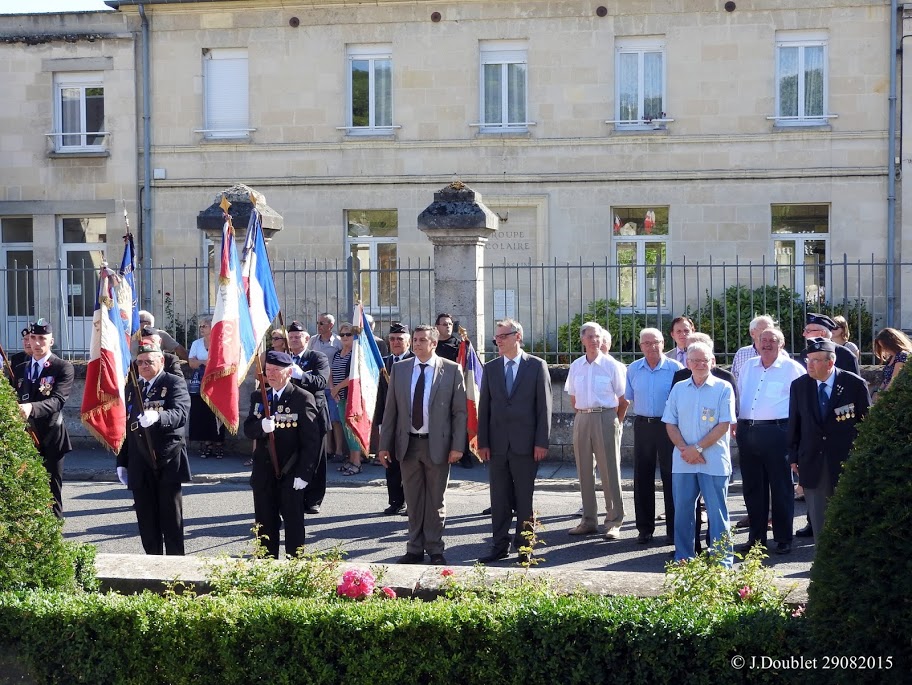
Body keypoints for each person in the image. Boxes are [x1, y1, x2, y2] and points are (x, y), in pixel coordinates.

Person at [378, 324, 467, 565]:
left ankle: (435, 549)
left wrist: (458, 446)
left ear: (434, 343)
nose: (416, 344)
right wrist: (384, 445)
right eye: (415, 340)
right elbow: (390, 411)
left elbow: (459, 412)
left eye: (421, 340)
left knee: (435, 501)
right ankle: (414, 549)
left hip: (437, 445)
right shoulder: (400, 369)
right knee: (414, 500)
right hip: (408, 445)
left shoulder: (451, 370)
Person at [477, 318, 552, 564]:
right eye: (496, 337)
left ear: (517, 336)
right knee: (499, 499)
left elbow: (544, 408)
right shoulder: (491, 368)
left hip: (526, 445)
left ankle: (524, 547)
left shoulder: (536, 366)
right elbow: (484, 408)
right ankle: (499, 545)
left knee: (524, 499)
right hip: (497, 446)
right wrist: (483, 442)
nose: (498, 341)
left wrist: (542, 442)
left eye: (503, 336)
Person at [788, 338, 871, 544]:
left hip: (846, 461)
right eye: (808, 359)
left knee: (849, 518)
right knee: (819, 519)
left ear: (830, 363)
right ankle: (822, 567)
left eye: (815, 360)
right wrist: (793, 456)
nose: (809, 364)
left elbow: (867, 425)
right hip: (812, 460)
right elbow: (795, 423)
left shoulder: (854, 384)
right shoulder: (800, 386)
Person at [662, 341, 736, 566]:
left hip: (713, 460)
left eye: (705, 360)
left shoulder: (724, 388)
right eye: (695, 360)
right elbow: (670, 424)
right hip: (684, 460)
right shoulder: (678, 388)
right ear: (688, 363)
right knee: (683, 512)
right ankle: (683, 557)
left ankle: (722, 560)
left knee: (717, 513)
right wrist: (687, 450)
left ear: (712, 362)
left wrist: (698, 449)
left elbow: (724, 424)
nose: (700, 364)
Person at [243, 350, 321, 559]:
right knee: (264, 523)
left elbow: (312, 442)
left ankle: (294, 567)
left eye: (276, 370)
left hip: (291, 471)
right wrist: (261, 426)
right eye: (268, 370)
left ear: (288, 372)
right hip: (264, 472)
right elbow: (248, 429)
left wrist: (305, 474)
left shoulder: (302, 398)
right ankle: (266, 566)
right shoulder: (259, 396)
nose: (271, 374)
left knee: (293, 522)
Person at [735, 328, 806, 555]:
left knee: (781, 488)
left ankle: (784, 538)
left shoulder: (792, 368)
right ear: (755, 342)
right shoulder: (748, 367)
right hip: (748, 432)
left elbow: (801, 405)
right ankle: (756, 539)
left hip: (778, 432)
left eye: (771, 340)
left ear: (781, 344)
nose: (766, 344)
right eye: (762, 340)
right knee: (753, 489)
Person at [117, 342, 192, 555]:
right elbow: (126, 427)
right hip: (139, 460)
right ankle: (152, 564)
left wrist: (159, 416)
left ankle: (176, 570)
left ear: (161, 361)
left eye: (149, 361)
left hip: (167, 458)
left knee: (171, 520)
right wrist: (122, 461)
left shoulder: (174, 383)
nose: (144, 366)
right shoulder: (132, 388)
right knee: (146, 520)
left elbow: (180, 414)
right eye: (140, 362)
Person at [565, 321, 627, 540]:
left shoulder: (612, 365)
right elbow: (573, 397)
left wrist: (615, 422)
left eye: (598, 336)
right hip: (582, 417)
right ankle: (588, 520)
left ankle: (614, 521)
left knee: (610, 470)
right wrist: (585, 414)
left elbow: (623, 400)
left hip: (606, 416)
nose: (594, 341)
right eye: (590, 336)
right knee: (584, 471)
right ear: (582, 340)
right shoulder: (576, 366)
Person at [625, 327, 682, 545]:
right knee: (643, 477)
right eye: (647, 343)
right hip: (643, 425)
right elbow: (628, 397)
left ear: (663, 344)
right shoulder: (633, 369)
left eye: (656, 342)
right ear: (640, 347)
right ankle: (645, 529)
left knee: (671, 477)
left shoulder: (675, 368)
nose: (651, 347)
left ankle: (673, 530)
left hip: (668, 426)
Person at [15, 319, 74, 519]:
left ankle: (54, 538)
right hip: (25, 439)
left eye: (42, 338)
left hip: (50, 437)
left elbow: (57, 401)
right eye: (33, 338)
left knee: (51, 493)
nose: (37, 343)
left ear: (51, 341)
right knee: (26, 492)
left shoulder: (62, 367)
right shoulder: (20, 368)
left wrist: (31, 407)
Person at [286, 320, 330, 514]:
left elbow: (321, 382)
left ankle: (314, 499)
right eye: (291, 337)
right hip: (289, 416)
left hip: (314, 415)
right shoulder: (284, 357)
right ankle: (295, 495)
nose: (295, 340)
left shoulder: (317, 357)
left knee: (316, 458)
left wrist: (302, 375)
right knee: (294, 456)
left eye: (298, 337)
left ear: (306, 338)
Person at [374, 322, 414, 515]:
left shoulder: (416, 360)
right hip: (390, 421)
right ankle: (396, 501)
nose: (396, 342)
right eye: (392, 339)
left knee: (410, 462)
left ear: (408, 341)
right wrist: (380, 422)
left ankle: (411, 500)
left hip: (411, 421)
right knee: (390, 462)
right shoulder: (383, 363)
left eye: (400, 339)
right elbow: (380, 395)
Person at [187, 315, 226, 458]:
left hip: (217, 383)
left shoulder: (220, 342)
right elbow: (191, 363)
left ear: (212, 327)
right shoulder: (196, 344)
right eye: (200, 326)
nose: (201, 328)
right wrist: (206, 362)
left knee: (216, 413)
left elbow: (220, 363)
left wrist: (202, 362)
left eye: (204, 326)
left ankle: (218, 443)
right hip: (200, 383)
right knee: (201, 412)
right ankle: (206, 443)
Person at [308, 313, 343, 460]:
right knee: (323, 418)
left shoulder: (338, 341)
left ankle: (340, 450)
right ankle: (328, 449)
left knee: (335, 419)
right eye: (318, 322)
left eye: (322, 323)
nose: (319, 325)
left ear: (331, 325)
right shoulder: (312, 340)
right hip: (317, 384)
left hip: (333, 384)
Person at [796, 313, 860, 376]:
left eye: (808, 331)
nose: (804, 334)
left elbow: (855, 384)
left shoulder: (845, 355)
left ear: (822, 333)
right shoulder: (804, 353)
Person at [730, 314, 776, 384]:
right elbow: (734, 380)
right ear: (752, 333)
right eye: (764, 329)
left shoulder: (781, 353)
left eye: (770, 329)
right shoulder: (741, 353)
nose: (768, 333)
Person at [873, 327, 912, 391]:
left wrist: (883, 395)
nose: (885, 350)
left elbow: (894, 379)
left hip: (896, 394)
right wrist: (878, 392)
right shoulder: (891, 357)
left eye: (885, 347)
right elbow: (886, 379)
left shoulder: (902, 355)